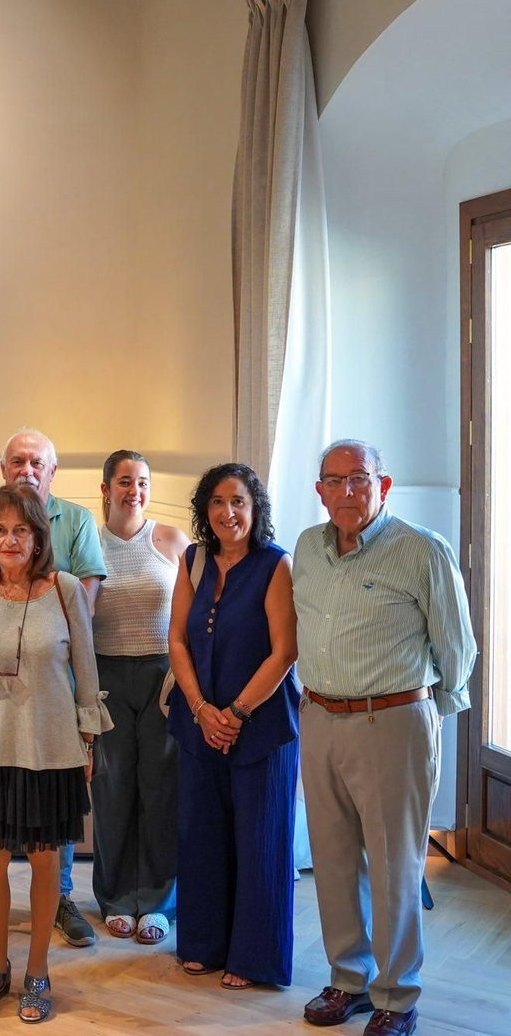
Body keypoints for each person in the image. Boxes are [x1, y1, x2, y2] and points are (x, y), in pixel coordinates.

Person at [295, 441, 474, 1036]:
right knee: (334, 859)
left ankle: (396, 996)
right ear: (319, 489)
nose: (348, 492)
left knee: (396, 864)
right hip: (319, 719)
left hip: (392, 722)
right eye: (335, 481)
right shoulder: (307, 550)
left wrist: (424, 719)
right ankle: (349, 979)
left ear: (383, 484)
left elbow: (458, 649)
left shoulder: (422, 550)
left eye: (359, 479)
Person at [0, 486, 108, 1023]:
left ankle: (38, 968)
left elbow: (86, 673)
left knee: (44, 861)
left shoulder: (63, 589)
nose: (10, 540)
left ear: (39, 538)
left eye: (21, 530)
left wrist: (87, 743)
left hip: (52, 748)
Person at [166, 462, 299, 990]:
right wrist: (201, 709)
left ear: (254, 508)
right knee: (201, 835)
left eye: (238, 501)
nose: (228, 512)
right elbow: (176, 639)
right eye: (218, 502)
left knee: (259, 840)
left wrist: (236, 713)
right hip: (198, 724)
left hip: (260, 729)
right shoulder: (193, 561)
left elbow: (286, 650)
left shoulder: (275, 564)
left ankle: (253, 957)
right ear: (205, 511)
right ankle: (202, 944)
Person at [90, 449, 188, 944]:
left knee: (160, 787)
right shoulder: (87, 541)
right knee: (112, 789)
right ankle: (114, 896)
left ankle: (156, 900)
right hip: (105, 676)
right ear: (105, 488)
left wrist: (183, 674)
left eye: (143, 482)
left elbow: (192, 614)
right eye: (125, 481)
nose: (135, 490)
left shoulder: (171, 540)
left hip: (163, 679)